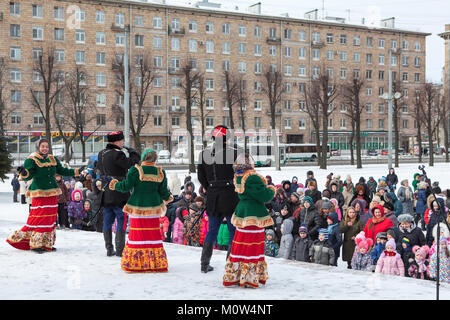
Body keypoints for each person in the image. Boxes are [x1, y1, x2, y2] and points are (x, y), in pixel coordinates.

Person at [6, 138, 82, 253]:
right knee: (39, 218)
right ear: (38, 147)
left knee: (50, 219)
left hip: (52, 193)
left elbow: (62, 171)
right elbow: (28, 176)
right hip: (39, 193)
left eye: (46, 146)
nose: (45, 148)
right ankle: (36, 244)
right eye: (42, 146)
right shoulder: (32, 160)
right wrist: (23, 172)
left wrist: (76, 171)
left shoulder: (53, 159)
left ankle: (46, 243)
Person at [109, 148, 173, 273]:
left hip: (137, 206)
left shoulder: (135, 170)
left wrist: (115, 184)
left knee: (137, 235)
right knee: (153, 235)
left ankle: (136, 263)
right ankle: (155, 263)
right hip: (154, 207)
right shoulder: (160, 172)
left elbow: (126, 186)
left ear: (143, 158)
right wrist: (168, 198)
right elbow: (163, 191)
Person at [222, 153, 276, 288]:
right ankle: (249, 278)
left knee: (240, 245)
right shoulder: (252, 177)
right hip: (254, 214)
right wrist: (271, 189)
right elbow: (263, 196)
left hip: (242, 212)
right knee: (253, 245)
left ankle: (237, 275)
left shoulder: (239, 176)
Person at [198, 125, 241, 273]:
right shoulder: (234, 153)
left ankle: (204, 263)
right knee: (233, 230)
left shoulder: (204, 154)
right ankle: (231, 264)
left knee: (212, 230)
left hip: (212, 196)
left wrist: (210, 188)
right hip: (229, 195)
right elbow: (241, 175)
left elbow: (201, 178)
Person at [97, 131, 140, 257]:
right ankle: (120, 249)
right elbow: (132, 164)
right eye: (121, 141)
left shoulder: (101, 153)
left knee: (108, 219)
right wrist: (133, 153)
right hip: (118, 189)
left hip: (106, 190)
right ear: (116, 142)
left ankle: (109, 248)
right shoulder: (117, 154)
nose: (123, 143)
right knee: (121, 217)